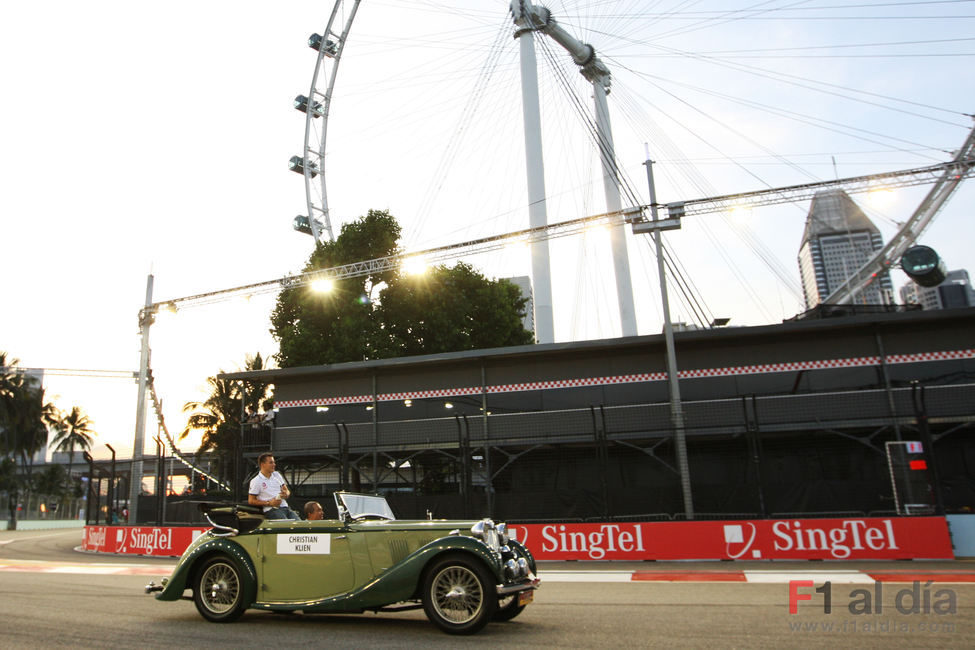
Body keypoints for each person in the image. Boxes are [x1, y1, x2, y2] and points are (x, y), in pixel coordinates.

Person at [248, 453, 299, 520]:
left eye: (274, 462)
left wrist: (286, 494)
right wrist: (269, 503)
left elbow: (286, 490)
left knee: (300, 525)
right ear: (263, 464)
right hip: (272, 510)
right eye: (271, 463)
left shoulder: (277, 475)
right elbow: (251, 500)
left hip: (286, 507)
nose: (274, 465)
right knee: (287, 526)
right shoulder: (256, 481)